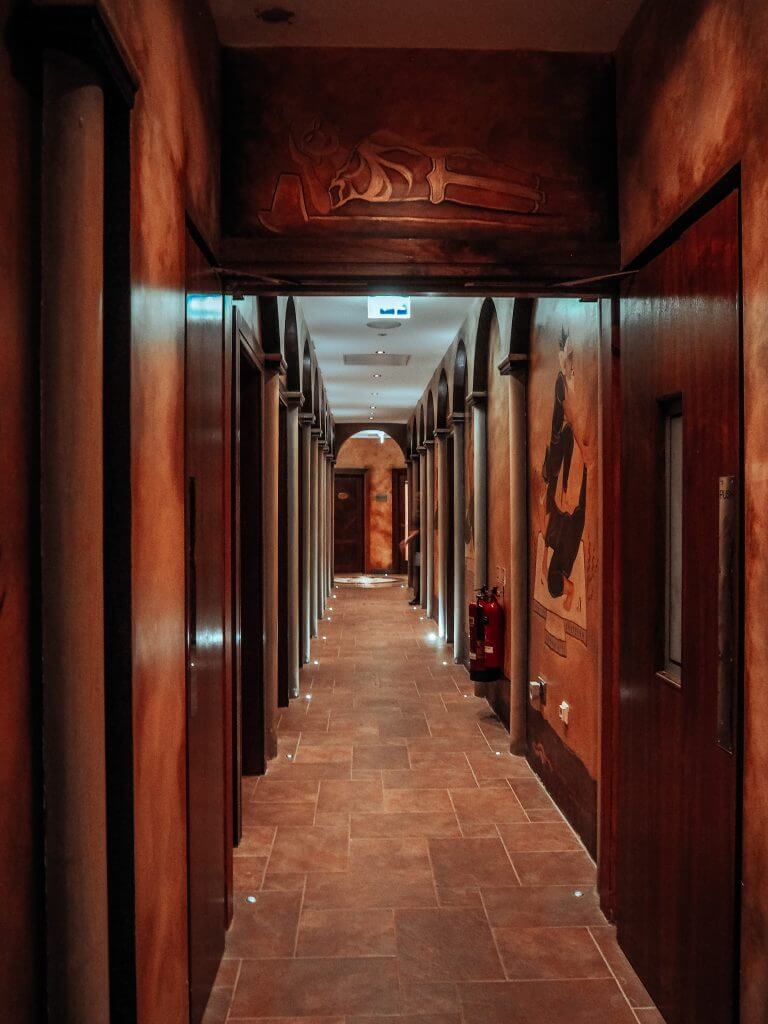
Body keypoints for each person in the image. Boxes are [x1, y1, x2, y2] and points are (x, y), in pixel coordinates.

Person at [400, 516, 421, 605]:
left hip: (421, 550)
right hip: (418, 550)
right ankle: (418, 596)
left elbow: (420, 530)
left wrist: (407, 540)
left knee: (419, 573)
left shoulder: (420, 514)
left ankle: (419, 597)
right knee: (418, 573)